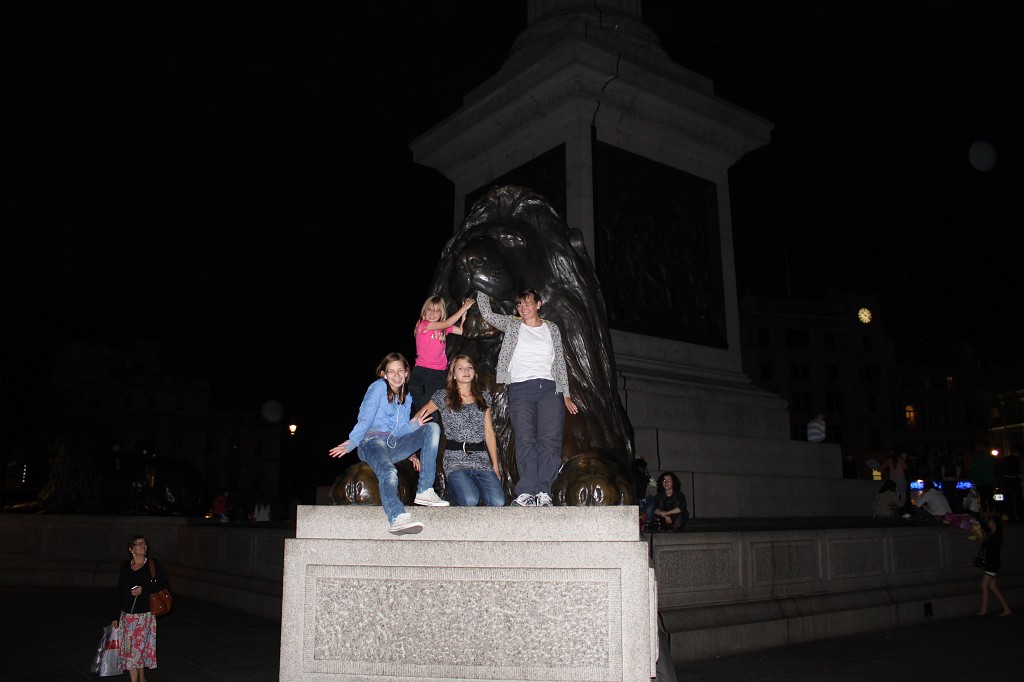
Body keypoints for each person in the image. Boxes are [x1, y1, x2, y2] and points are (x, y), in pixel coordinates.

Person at [476, 289, 577, 507]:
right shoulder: (513, 325)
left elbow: (559, 362)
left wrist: (566, 394)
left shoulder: (551, 328)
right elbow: (488, 314)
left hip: (550, 389)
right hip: (521, 388)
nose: (523, 309)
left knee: (550, 440)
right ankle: (526, 491)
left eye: (528, 304)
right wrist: (482, 291)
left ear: (538, 304)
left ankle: (544, 491)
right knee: (525, 439)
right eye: (520, 305)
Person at [328, 352, 448, 534]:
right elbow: (366, 418)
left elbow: (399, 431)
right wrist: (352, 441)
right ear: (383, 373)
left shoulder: (406, 398)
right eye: (391, 371)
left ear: (407, 373)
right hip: (372, 442)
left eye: (400, 370)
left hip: (393, 444)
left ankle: (425, 490)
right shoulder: (378, 387)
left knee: (432, 429)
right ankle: (396, 517)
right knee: (389, 472)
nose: (397, 375)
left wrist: (413, 429)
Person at [414, 354, 505, 507]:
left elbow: (489, 432)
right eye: (461, 368)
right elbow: (418, 417)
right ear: (453, 374)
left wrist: (495, 465)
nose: (466, 371)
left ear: (474, 373)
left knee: (498, 501)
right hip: (455, 459)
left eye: (470, 367)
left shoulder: (484, 397)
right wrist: (409, 446)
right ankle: (456, 487)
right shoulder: (443, 396)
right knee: (470, 500)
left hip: (481, 459)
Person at [110, 535, 170, 682]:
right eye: (139, 544)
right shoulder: (125, 566)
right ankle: (141, 678)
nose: (143, 546)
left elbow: (163, 584)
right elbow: (120, 591)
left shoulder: (152, 564)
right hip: (127, 616)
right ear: (131, 549)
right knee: (131, 652)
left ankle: (138, 679)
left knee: (135, 653)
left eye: (144, 544)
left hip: (144, 616)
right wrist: (115, 616)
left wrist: (144, 589)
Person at [409, 296, 474, 411]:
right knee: (413, 391)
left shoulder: (444, 328)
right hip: (421, 368)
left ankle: (429, 420)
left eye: (437, 310)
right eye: (430, 309)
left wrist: (464, 313)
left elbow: (462, 331)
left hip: (438, 371)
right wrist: (464, 307)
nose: (433, 313)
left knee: (431, 399)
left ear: (441, 313)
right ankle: (420, 416)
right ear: (424, 311)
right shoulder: (423, 324)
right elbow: (448, 322)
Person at [977, 517, 1011, 616]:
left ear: (994, 523)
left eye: (991, 521)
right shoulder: (991, 533)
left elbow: (989, 547)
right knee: (992, 587)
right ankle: (1006, 609)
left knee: (983, 585)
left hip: (992, 563)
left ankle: (984, 610)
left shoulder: (997, 535)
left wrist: (980, 537)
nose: (989, 522)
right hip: (990, 562)